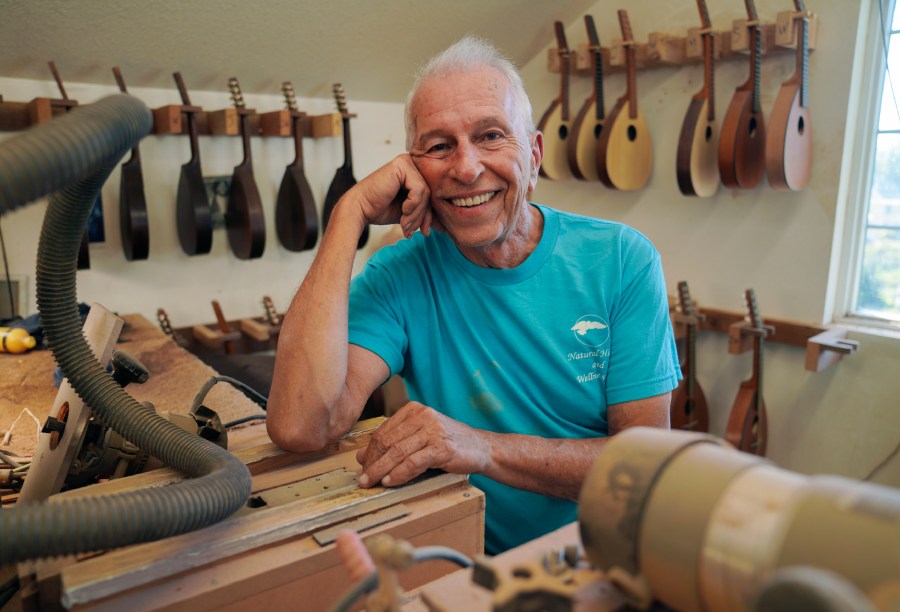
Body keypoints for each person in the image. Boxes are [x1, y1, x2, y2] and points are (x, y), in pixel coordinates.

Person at [267, 36, 681, 554]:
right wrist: (347, 215)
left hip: (602, 558)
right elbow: (301, 425)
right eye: (439, 146)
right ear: (413, 168)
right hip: (462, 557)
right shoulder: (400, 272)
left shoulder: (621, 259)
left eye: (490, 136)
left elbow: (642, 468)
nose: (465, 168)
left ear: (533, 156)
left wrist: (479, 447)